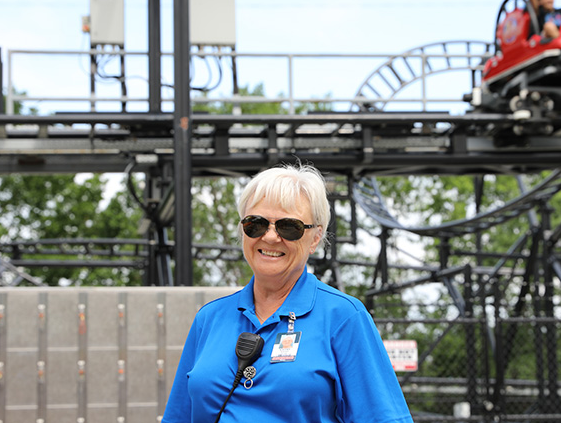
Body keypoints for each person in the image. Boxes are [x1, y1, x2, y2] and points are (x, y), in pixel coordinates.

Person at [162, 163, 414, 423]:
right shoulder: (209, 319)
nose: (270, 237)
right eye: (256, 224)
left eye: (289, 227)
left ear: (316, 238)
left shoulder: (344, 318)